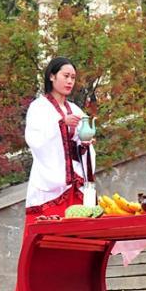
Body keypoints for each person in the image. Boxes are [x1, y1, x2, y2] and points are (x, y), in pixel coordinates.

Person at [24, 56, 95, 227]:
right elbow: (35, 140)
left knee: (79, 232)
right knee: (49, 234)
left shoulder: (76, 109)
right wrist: (61, 124)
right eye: (66, 76)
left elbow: (79, 144)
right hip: (50, 182)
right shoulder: (38, 108)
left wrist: (85, 144)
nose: (70, 81)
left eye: (73, 77)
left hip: (75, 182)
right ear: (52, 76)